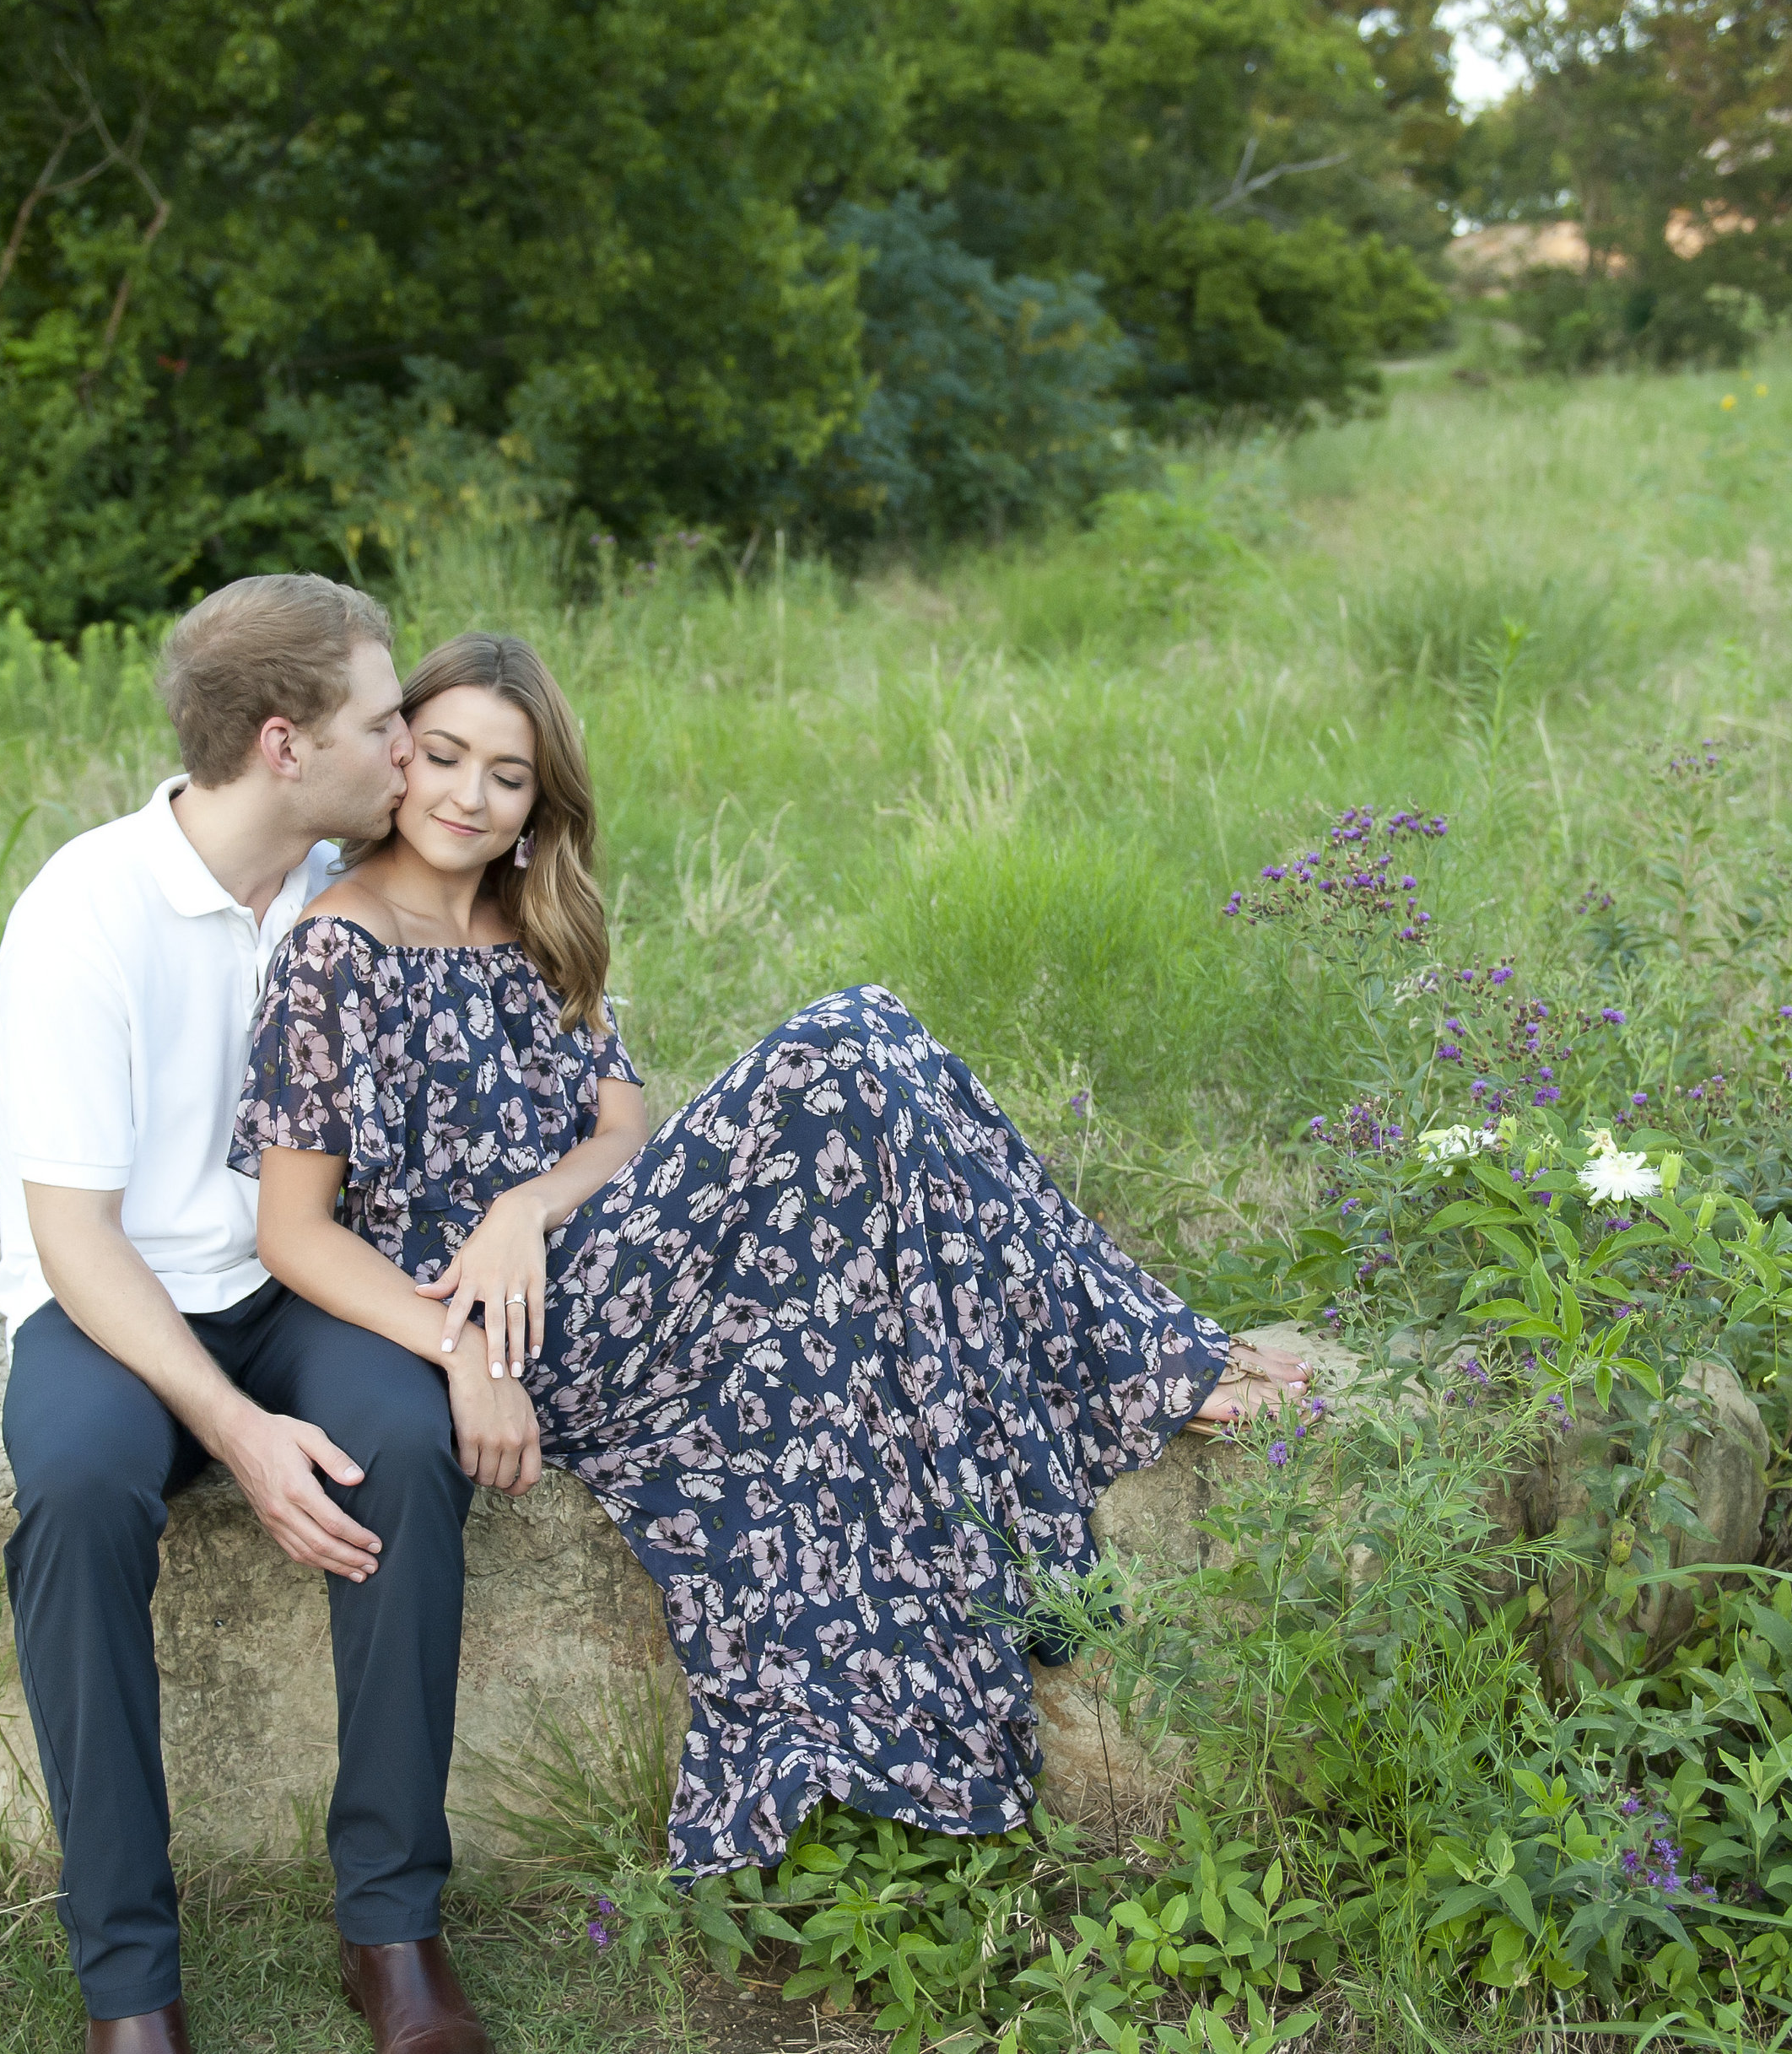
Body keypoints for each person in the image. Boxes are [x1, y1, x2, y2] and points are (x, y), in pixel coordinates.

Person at [240, 632, 1304, 1893]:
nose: (470, 795)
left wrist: (529, 1200)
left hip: (597, 1257)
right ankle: (1144, 1354)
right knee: (845, 1041)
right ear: (400, 754)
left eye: (510, 775)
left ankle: (1129, 1349)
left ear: (541, 803)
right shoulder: (335, 950)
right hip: (528, 1332)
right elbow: (291, 1230)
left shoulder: (532, 926)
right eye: (448, 755)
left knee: (872, 1048)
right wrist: (464, 1344)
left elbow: (622, 1126)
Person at [0, 575, 507, 2054]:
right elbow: (73, 1239)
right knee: (73, 1490)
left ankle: (391, 1927)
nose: (405, 745)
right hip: (116, 1309)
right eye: (374, 725)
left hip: (293, 1282)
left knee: (410, 1445)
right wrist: (234, 1428)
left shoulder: (351, 890)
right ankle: (131, 1992)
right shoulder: (86, 913)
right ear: (283, 745)